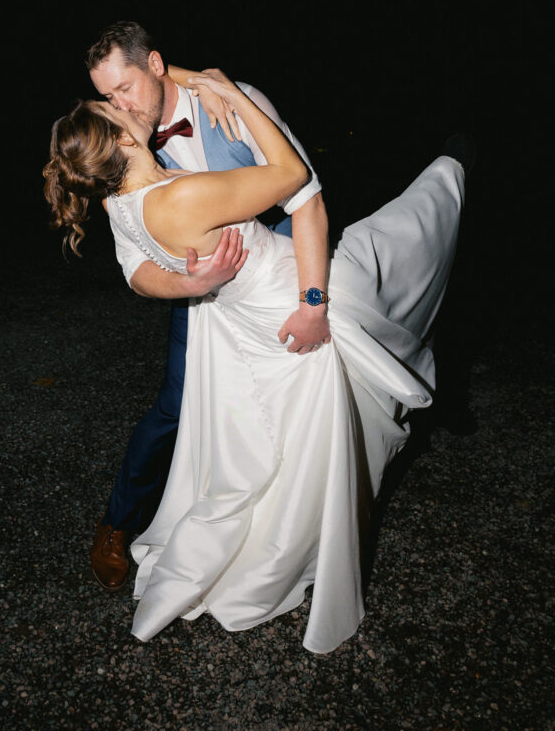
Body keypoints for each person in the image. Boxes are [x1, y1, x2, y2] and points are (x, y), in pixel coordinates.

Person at [43, 71, 465, 653]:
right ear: (122, 142)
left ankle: (452, 172)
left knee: (286, 444)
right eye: (111, 108)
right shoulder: (177, 195)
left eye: (118, 93)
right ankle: (455, 168)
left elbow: (142, 263)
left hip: (252, 317)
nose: (121, 106)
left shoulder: (120, 198)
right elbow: (294, 176)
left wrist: (191, 278)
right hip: (286, 302)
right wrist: (233, 90)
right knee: (401, 239)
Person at [84, 21, 330, 591]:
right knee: (177, 406)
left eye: (125, 88)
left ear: (156, 64)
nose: (117, 105)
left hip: (271, 280)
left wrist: (312, 301)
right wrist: (190, 288)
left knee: (304, 396)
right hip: (202, 299)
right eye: (107, 96)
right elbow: (135, 270)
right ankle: (116, 525)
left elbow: (306, 201)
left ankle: (286, 532)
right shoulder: (116, 146)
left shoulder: (231, 104)